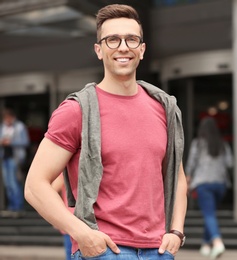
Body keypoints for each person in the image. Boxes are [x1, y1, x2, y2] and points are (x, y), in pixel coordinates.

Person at [24, 4, 187, 260]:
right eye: (113, 39)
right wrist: (81, 233)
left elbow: (177, 178)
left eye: (131, 39)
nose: (123, 47)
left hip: (159, 250)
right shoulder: (77, 110)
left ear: (142, 50)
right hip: (105, 250)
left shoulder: (164, 108)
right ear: (99, 50)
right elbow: (35, 186)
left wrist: (176, 231)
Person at [185, 117, 233, 259]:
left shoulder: (198, 144)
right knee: (210, 213)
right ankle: (205, 245)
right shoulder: (223, 144)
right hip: (220, 184)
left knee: (209, 214)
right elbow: (230, 163)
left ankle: (217, 243)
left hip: (203, 184)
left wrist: (187, 182)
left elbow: (190, 165)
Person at [0, 107, 29, 213]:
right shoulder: (3, 127)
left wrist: (11, 142)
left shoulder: (19, 127)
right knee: (7, 184)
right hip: (5, 157)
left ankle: (18, 206)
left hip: (15, 158)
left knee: (14, 182)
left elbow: (25, 142)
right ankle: (12, 206)